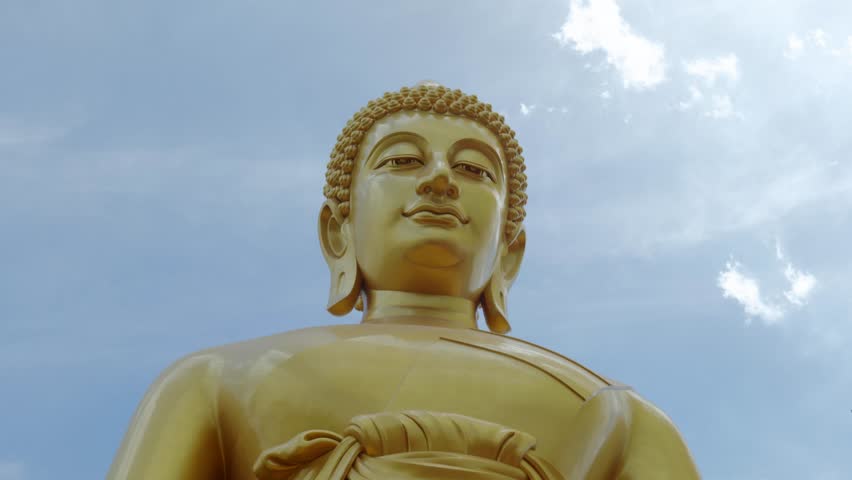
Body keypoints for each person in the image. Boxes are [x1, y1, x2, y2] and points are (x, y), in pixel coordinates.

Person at [107, 83, 700, 479]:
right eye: (401, 161)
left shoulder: (618, 415)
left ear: (508, 254)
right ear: (338, 230)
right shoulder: (216, 380)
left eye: (472, 170)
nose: (440, 181)